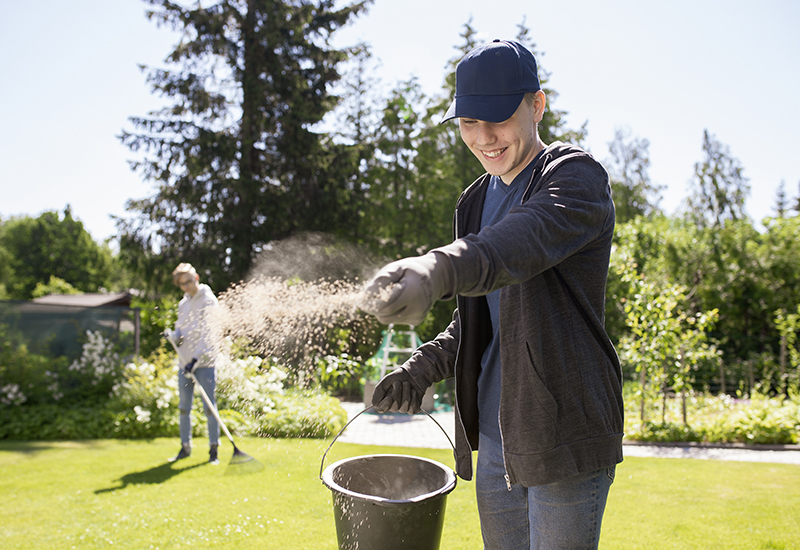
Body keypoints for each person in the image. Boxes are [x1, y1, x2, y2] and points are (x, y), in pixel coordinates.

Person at [362, 39, 624, 549]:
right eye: (468, 122)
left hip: (562, 434)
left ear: (537, 105)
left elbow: (519, 244)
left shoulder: (573, 177)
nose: (484, 137)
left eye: (499, 118)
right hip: (496, 438)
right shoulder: (477, 199)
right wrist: (419, 370)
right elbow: (481, 319)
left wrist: (436, 268)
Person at [165, 262, 221, 464]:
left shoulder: (208, 301)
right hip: (185, 363)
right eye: (182, 284)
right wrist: (173, 336)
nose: (186, 287)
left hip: (204, 363)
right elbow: (181, 331)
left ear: (196, 278)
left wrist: (196, 359)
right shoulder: (183, 304)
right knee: (184, 408)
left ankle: (213, 451)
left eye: (188, 282)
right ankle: (185, 448)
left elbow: (209, 334)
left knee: (209, 408)